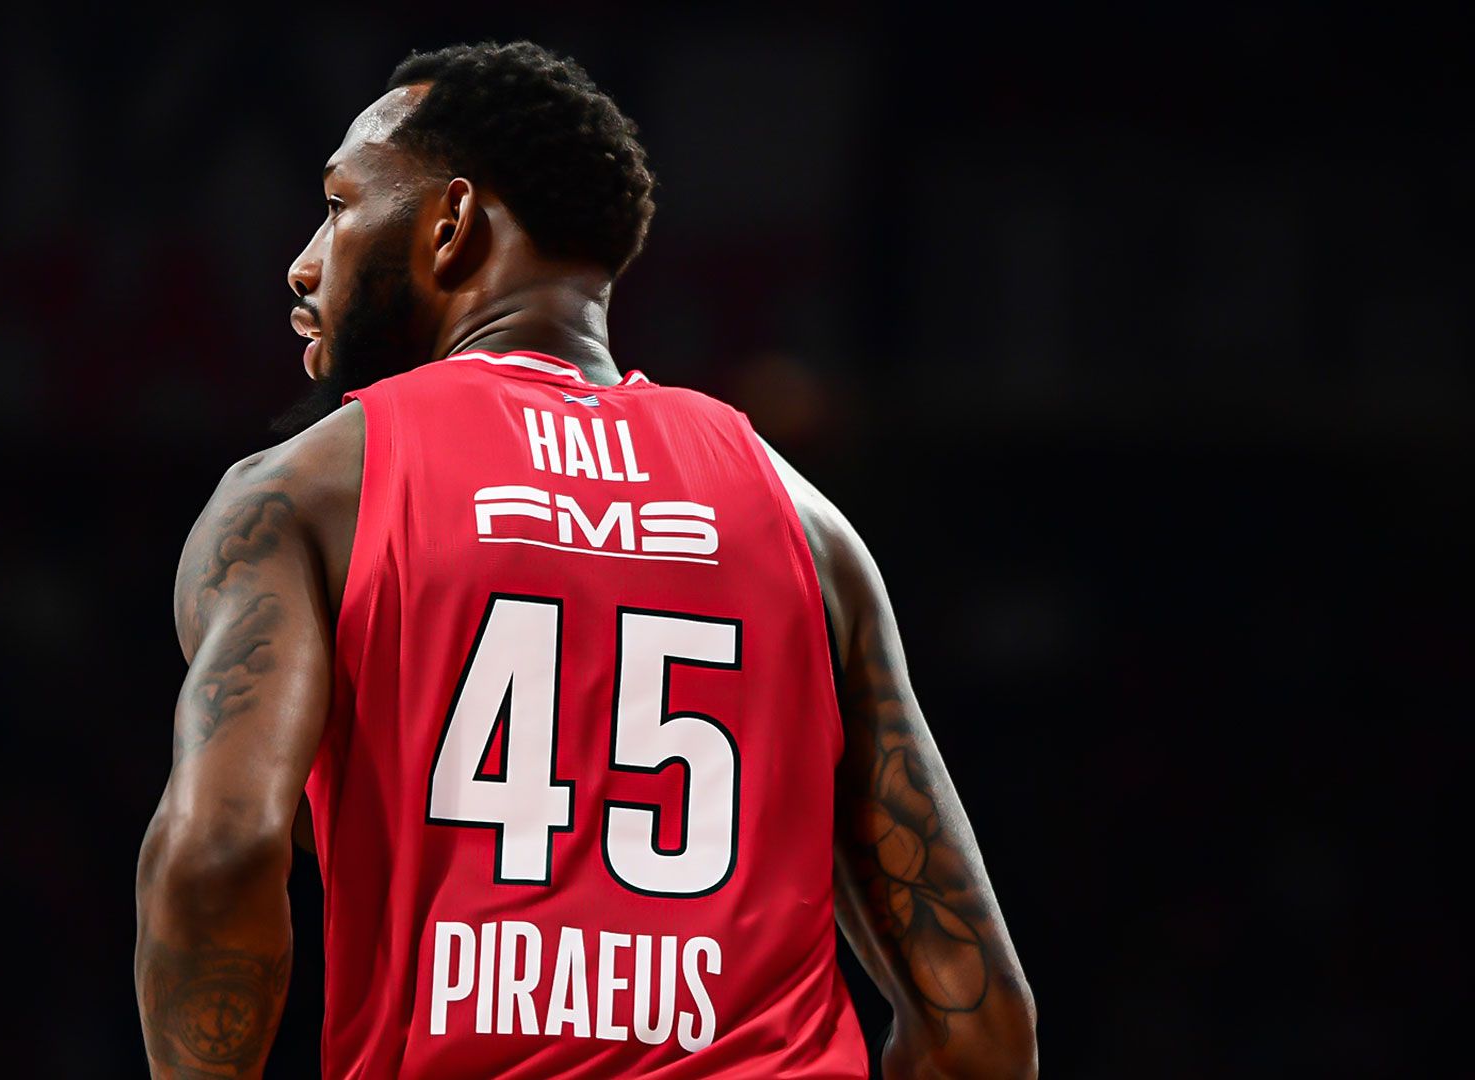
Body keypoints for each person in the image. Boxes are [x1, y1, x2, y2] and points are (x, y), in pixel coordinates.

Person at [135, 40, 1035, 1079]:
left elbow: (219, 853)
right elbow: (982, 1020)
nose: (304, 262)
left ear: (451, 224)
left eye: (339, 206)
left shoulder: (306, 492)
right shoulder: (806, 526)